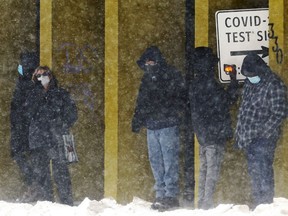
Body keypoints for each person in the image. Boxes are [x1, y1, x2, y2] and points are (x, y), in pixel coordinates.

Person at [131, 46, 186, 211]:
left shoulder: (169, 76)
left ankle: (170, 195)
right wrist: (138, 119)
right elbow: (142, 102)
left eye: (151, 61)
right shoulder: (148, 79)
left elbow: (178, 98)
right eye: (147, 62)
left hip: (167, 124)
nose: (148, 65)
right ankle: (162, 194)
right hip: (154, 125)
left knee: (168, 161)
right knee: (156, 161)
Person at [235, 53, 287, 209]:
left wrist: (264, 132)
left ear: (261, 70)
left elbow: (279, 112)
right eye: (248, 75)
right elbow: (245, 108)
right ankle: (259, 205)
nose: (250, 77)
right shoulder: (250, 83)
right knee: (255, 175)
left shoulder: (274, 84)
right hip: (249, 139)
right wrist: (241, 135)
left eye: (252, 75)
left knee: (263, 174)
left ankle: (265, 206)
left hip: (263, 140)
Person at [188, 47, 239, 210]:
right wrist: (233, 80)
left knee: (204, 170)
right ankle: (206, 204)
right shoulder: (210, 84)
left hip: (202, 134)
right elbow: (228, 100)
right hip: (214, 134)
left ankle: (201, 201)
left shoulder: (195, 84)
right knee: (212, 170)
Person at [24, 66, 78, 205]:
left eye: (45, 74)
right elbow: (27, 113)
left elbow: (72, 114)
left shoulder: (60, 93)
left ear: (51, 76)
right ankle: (46, 203)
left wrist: (60, 122)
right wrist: (39, 93)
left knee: (61, 173)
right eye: (38, 76)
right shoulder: (31, 94)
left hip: (57, 137)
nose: (42, 78)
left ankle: (66, 204)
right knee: (42, 174)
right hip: (39, 139)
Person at [10, 51, 39, 202]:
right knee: (22, 154)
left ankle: (33, 184)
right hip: (22, 126)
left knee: (19, 153)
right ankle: (33, 184)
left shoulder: (26, 83)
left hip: (23, 126)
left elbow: (22, 107)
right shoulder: (27, 82)